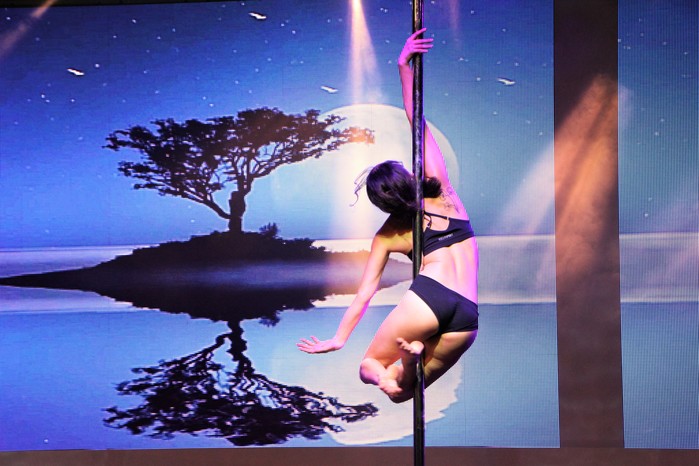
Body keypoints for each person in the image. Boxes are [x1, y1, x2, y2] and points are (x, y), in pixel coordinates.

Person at [298, 29, 479, 403]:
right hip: (468, 313)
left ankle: (398, 368)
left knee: (374, 372)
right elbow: (417, 119)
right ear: (408, 178)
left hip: (430, 298)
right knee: (404, 392)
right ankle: (407, 365)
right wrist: (403, 67)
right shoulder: (443, 193)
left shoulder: (387, 234)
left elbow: (365, 293)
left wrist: (339, 339)